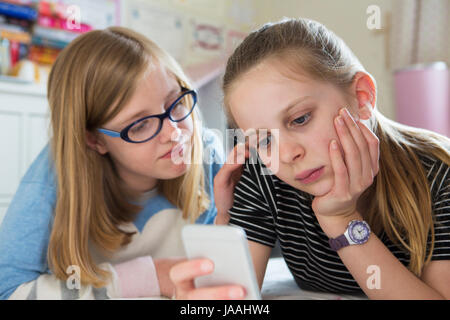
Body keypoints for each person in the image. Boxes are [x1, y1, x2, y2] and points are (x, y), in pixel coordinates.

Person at [170, 18, 450, 299]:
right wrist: (225, 217)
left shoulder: (439, 176)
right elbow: (229, 299)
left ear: (361, 97)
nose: (288, 153)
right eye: (264, 140)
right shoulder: (265, 173)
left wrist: (341, 220)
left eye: (300, 119)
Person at [0, 26, 231, 299]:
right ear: (94, 140)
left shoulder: (205, 152)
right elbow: (9, 290)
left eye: (175, 103)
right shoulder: (54, 176)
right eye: (141, 125)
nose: (175, 133)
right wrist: (152, 276)